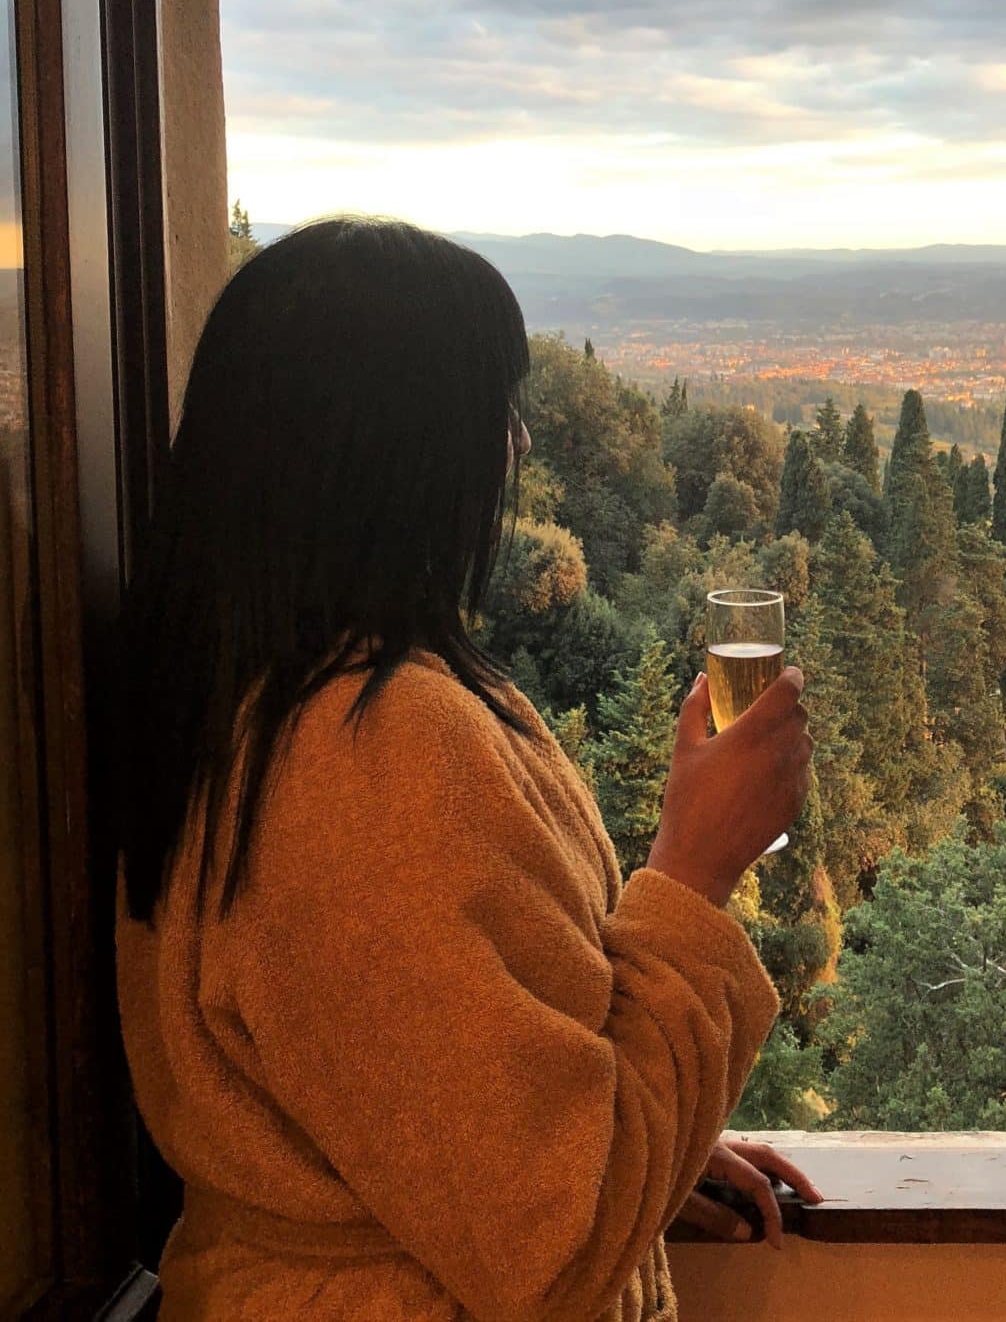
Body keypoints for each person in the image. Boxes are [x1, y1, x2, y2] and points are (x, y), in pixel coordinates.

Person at [114, 217, 819, 1321]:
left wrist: (653, 1142)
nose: (519, 447)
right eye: (496, 410)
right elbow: (547, 1241)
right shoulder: (364, 760)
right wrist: (695, 869)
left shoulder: (271, 701)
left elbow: (446, 1110)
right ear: (395, 448)